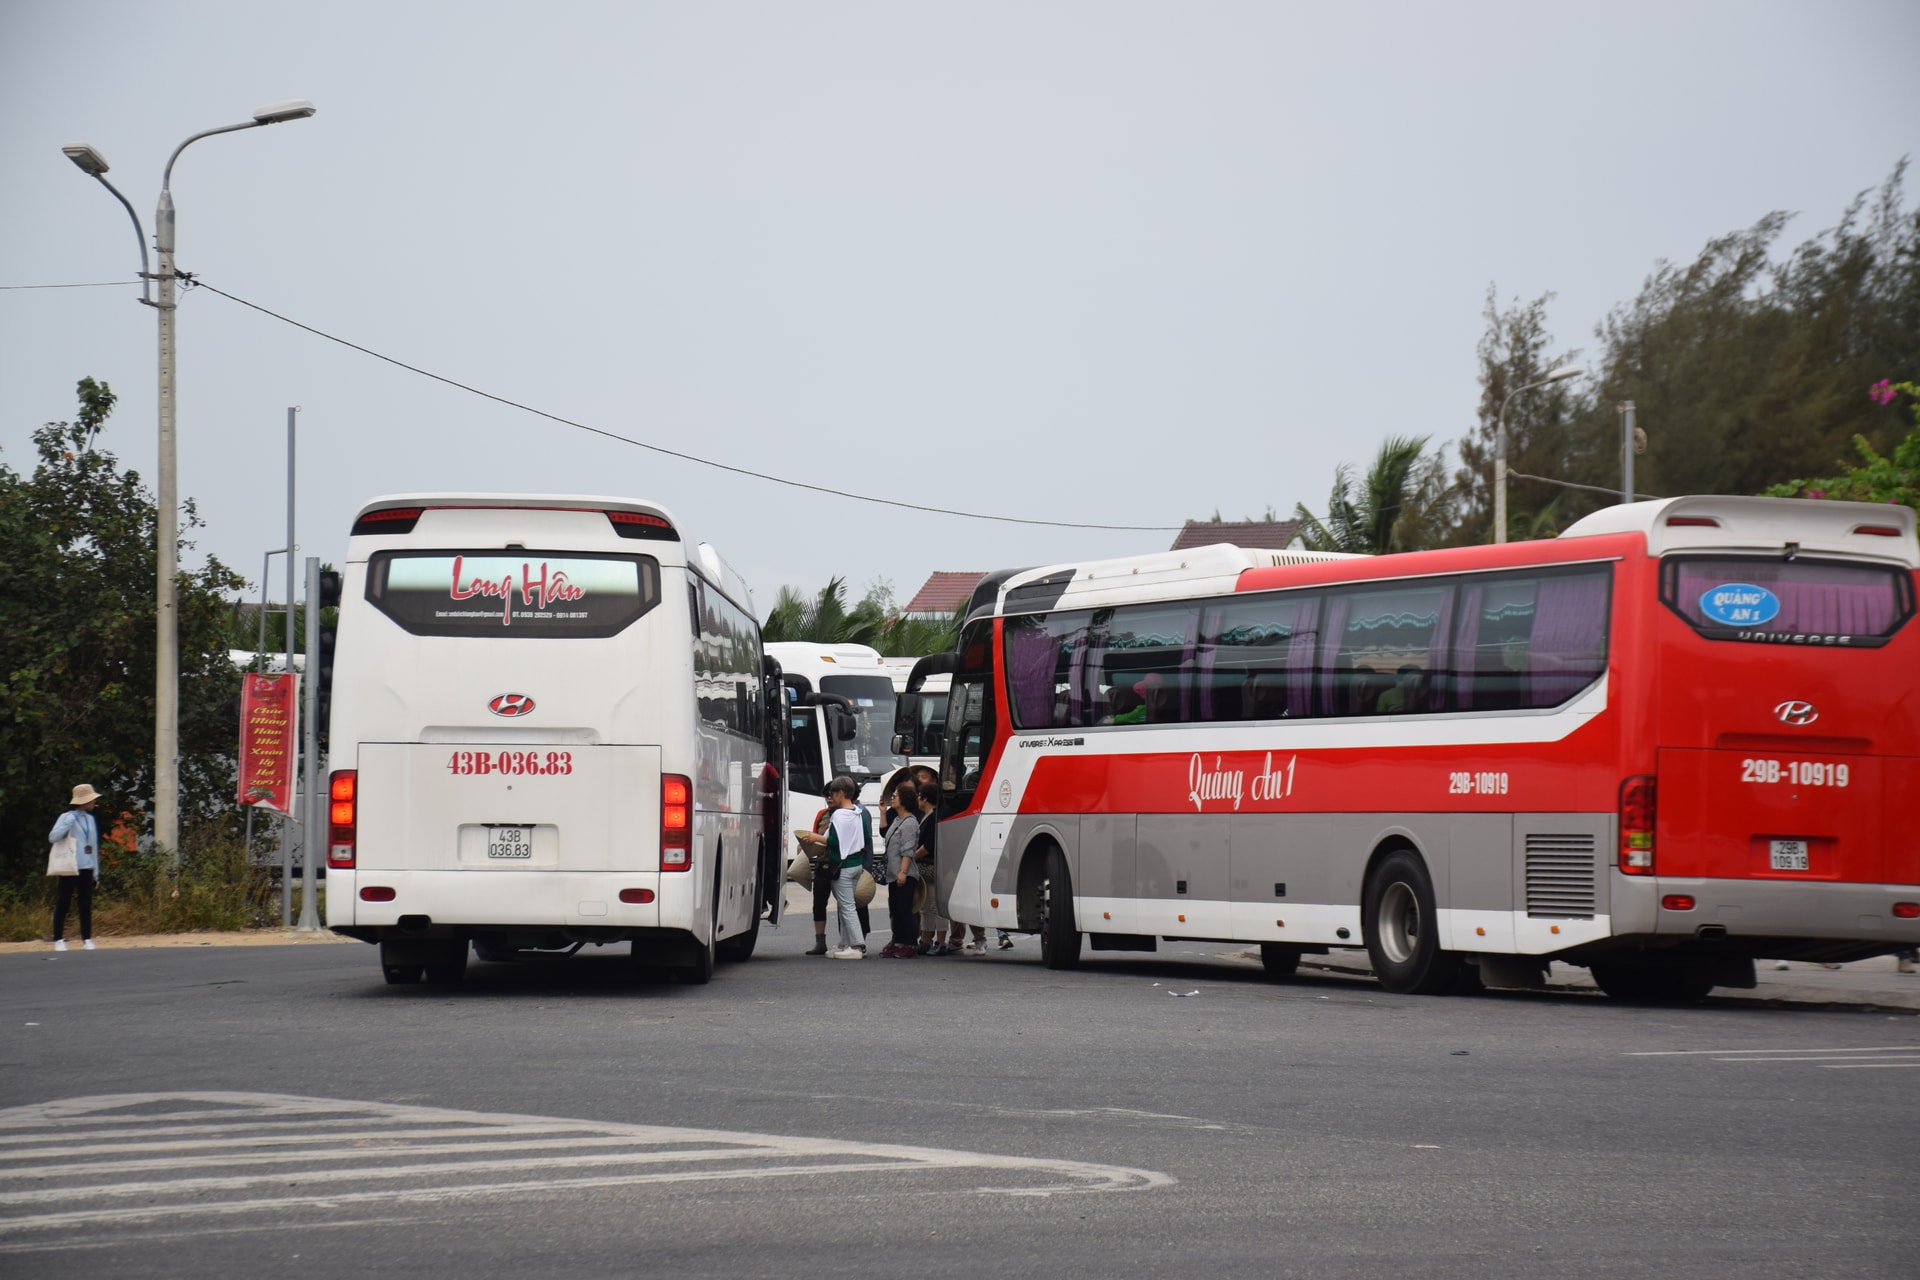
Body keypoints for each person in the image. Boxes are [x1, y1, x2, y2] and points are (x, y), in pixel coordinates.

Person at [796, 776, 869, 959]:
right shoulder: (857, 811)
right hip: (856, 863)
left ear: (841, 793)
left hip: (843, 866)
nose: (831, 797)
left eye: (833, 793)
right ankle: (845, 943)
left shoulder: (839, 814)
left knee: (846, 907)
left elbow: (834, 841)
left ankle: (857, 945)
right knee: (846, 905)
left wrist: (815, 838)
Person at [49, 783, 103, 952]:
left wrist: (96, 870)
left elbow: (93, 845)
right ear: (84, 801)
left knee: (85, 904)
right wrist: (68, 823)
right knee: (63, 902)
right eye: (91, 800)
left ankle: (86, 938)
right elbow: (53, 837)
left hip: (86, 867)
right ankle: (58, 939)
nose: (94, 803)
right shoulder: (66, 817)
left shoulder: (90, 819)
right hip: (70, 866)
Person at [878, 779, 921, 957]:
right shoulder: (896, 819)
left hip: (904, 873)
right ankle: (898, 941)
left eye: (896, 795)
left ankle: (910, 944)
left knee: (904, 909)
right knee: (895, 909)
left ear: (904, 800)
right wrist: (882, 813)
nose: (892, 798)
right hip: (893, 874)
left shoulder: (910, 822)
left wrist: (903, 872)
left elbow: (908, 851)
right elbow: (883, 832)